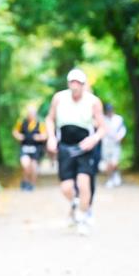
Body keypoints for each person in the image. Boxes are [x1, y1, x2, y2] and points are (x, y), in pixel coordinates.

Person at [45, 68, 106, 236]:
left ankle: (82, 217)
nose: (75, 86)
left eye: (78, 83)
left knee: (84, 183)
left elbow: (102, 127)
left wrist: (93, 140)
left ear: (84, 85)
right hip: (64, 145)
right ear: (68, 83)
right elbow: (50, 119)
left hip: (84, 147)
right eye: (72, 82)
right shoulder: (59, 98)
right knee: (66, 187)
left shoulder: (93, 101)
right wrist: (51, 137)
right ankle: (76, 204)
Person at [12, 103, 46, 191]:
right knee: (26, 165)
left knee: (34, 167)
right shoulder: (22, 122)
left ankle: (32, 184)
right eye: (29, 113)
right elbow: (15, 132)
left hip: (36, 148)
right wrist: (19, 136)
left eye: (33, 113)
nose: (31, 115)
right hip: (25, 147)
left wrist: (39, 137)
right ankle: (25, 181)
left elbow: (45, 135)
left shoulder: (40, 123)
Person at [101, 103, 126, 187]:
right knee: (108, 163)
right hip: (106, 143)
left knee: (114, 162)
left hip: (115, 143)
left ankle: (116, 174)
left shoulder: (118, 119)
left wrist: (119, 137)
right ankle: (110, 179)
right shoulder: (103, 119)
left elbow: (123, 130)